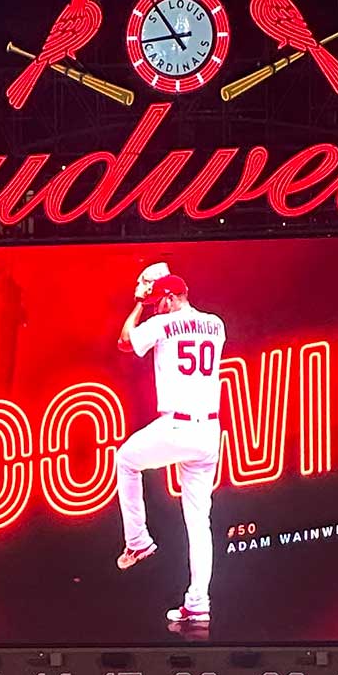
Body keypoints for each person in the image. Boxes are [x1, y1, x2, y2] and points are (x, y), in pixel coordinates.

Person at [112, 265, 227, 627]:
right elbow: (187, 325)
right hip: (209, 432)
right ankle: (198, 603)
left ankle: (139, 540)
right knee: (199, 523)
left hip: (178, 426)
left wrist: (139, 306)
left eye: (162, 299)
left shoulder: (161, 323)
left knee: (125, 460)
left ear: (170, 298)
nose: (158, 304)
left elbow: (124, 341)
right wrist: (157, 289)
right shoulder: (217, 323)